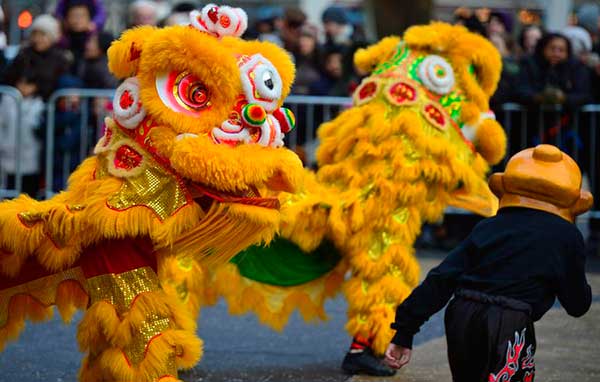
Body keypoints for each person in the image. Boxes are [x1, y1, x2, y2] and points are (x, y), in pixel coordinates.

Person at [384, 144, 593, 381]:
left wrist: (404, 331)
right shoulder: (566, 236)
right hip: (510, 320)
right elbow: (577, 304)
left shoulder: (491, 226)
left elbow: (442, 277)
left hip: (462, 313)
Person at [2, 14, 69, 100]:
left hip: (44, 104)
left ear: (52, 36)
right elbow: (8, 75)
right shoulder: (24, 53)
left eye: (42, 34)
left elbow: (55, 81)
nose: (37, 38)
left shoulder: (60, 57)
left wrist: (36, 87)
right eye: (35, 33)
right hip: (18, 100)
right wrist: (17, 85)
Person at [0, 71, 45, 197]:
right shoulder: (8, 100)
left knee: (28, 191)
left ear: (35, 86)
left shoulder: (39, 103)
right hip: (9, 151)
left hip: (30, 151)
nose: (24, 87)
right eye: (21, 83)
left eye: (28, 84)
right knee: (10, 191)